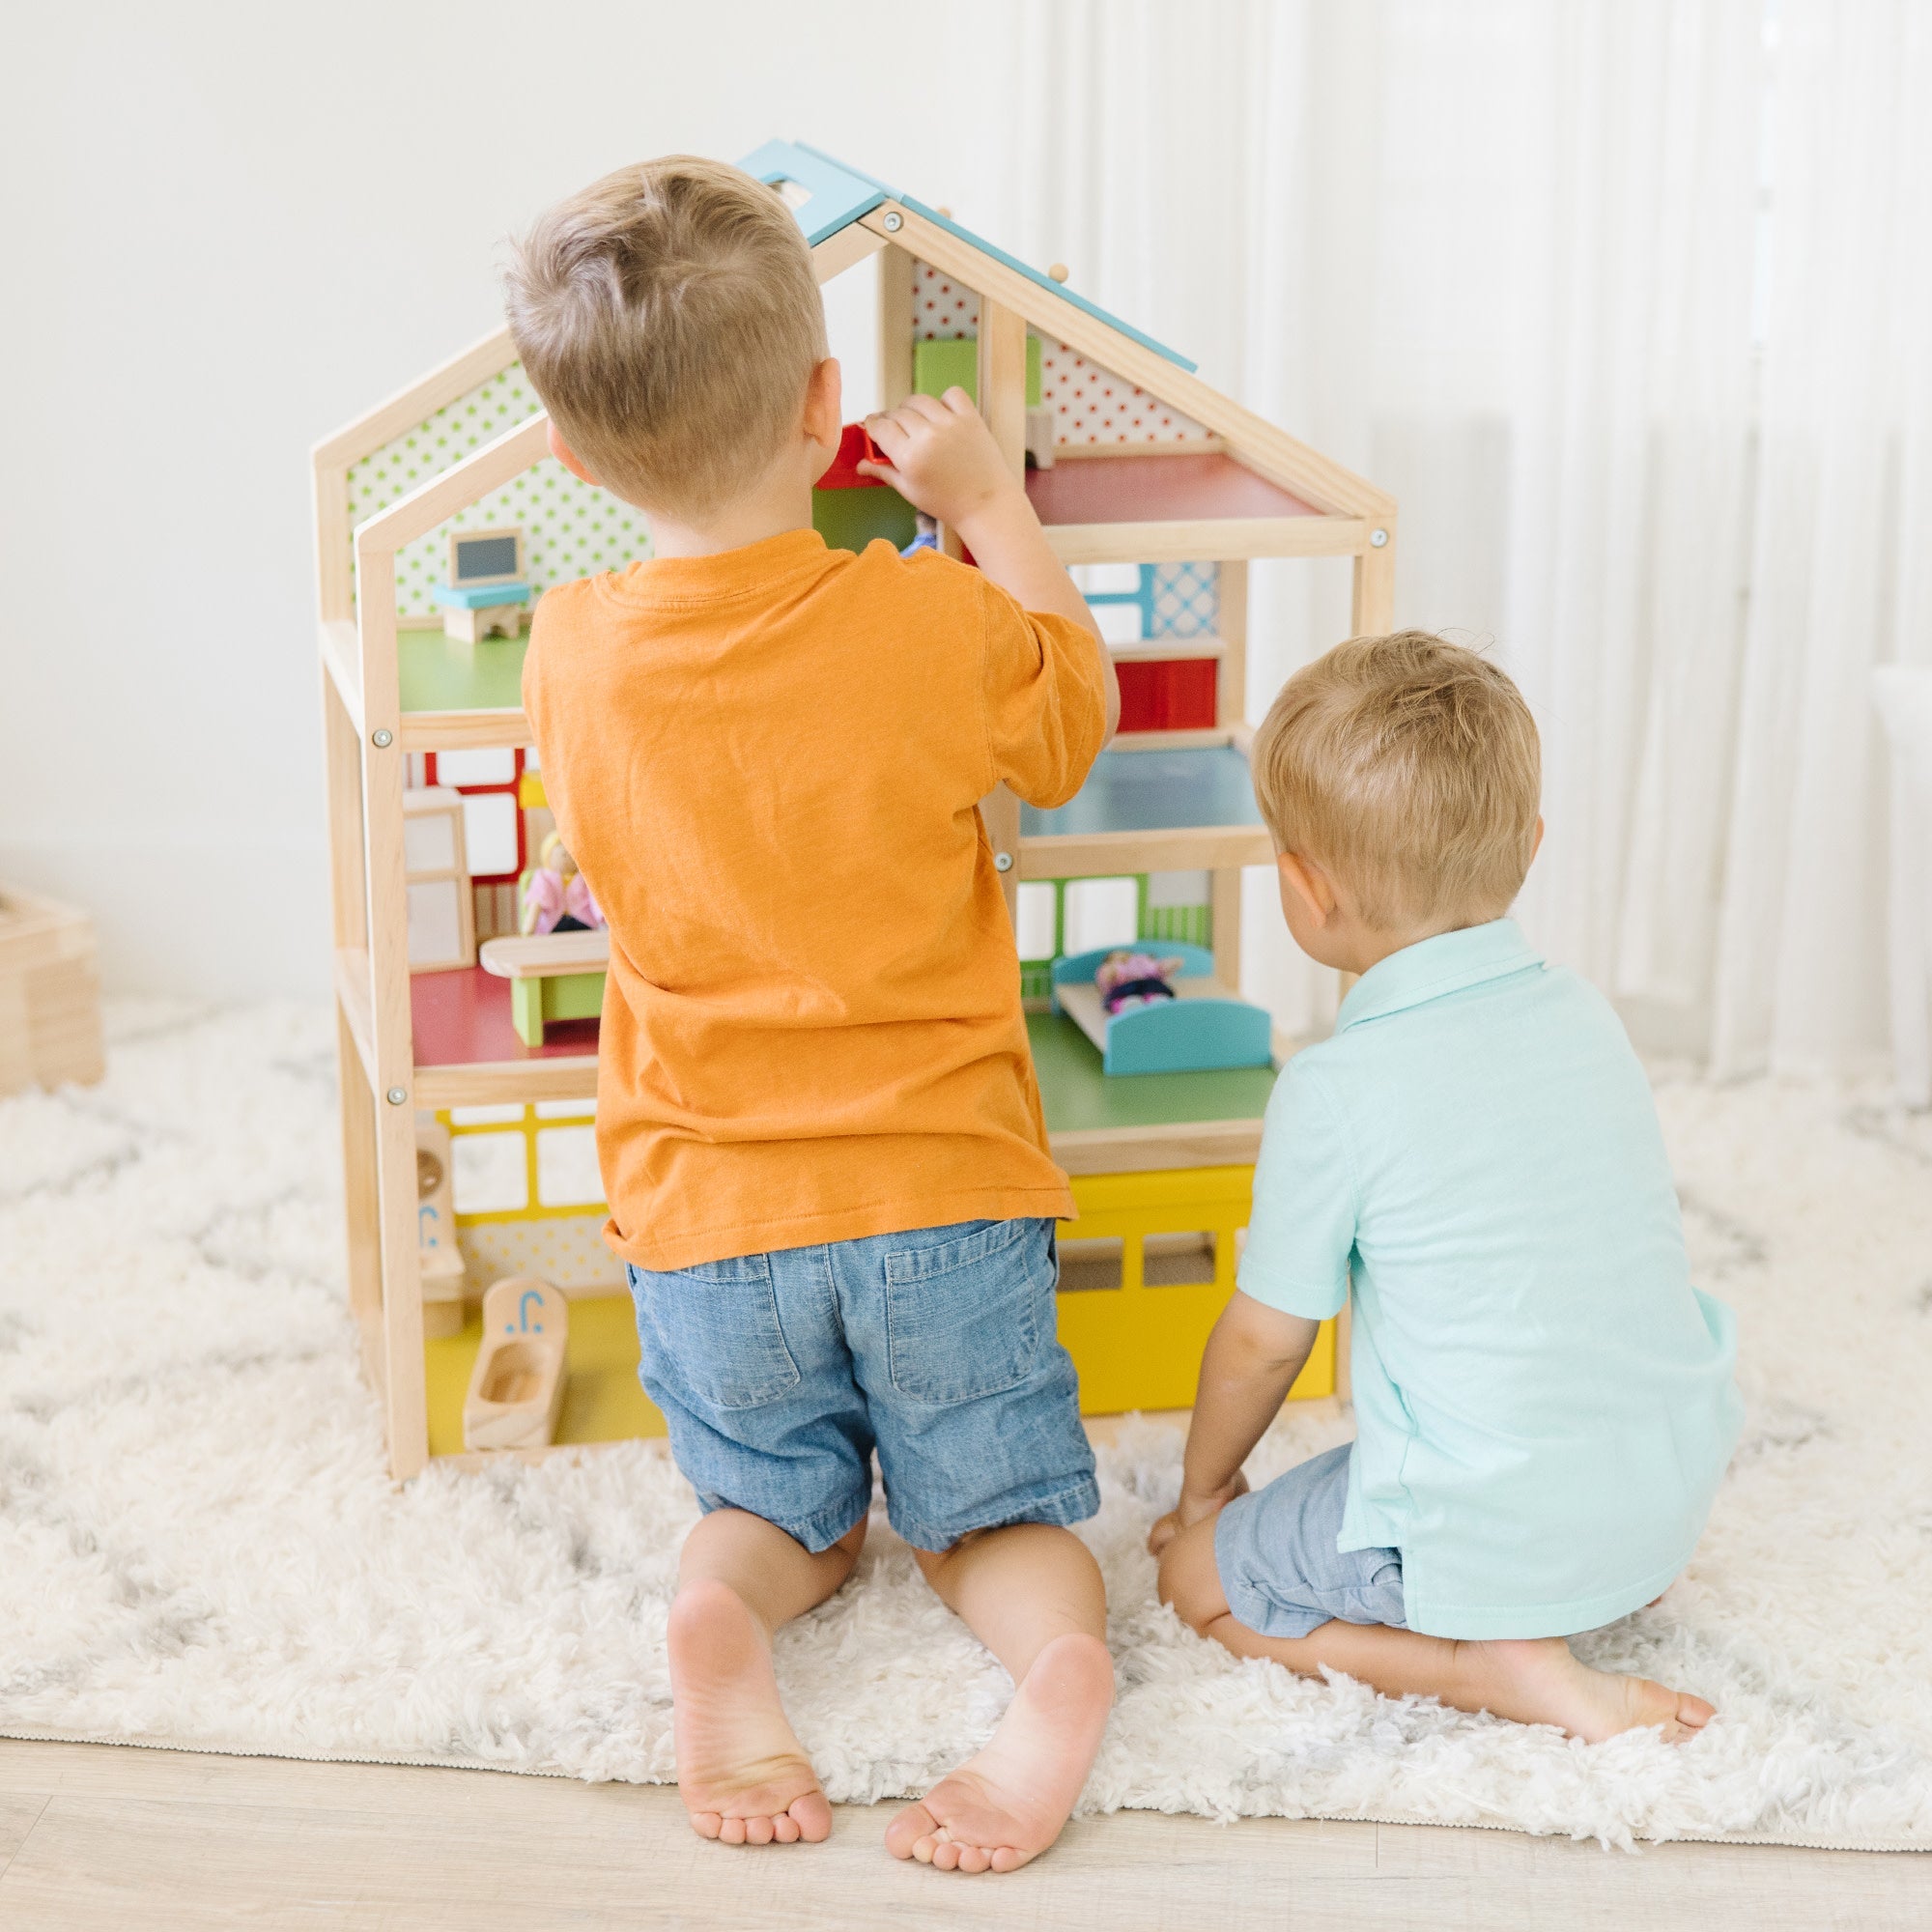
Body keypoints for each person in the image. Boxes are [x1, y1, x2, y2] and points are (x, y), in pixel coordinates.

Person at [505, 155, 1122, 1872]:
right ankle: (1054, 1664)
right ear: (824, 406)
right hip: (942, 1194)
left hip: (711, 1218)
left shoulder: (568, 650)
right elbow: (1072, 720)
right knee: (985, 1521)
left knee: (780, 1514)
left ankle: (725, 1613)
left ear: (570, 458)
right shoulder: (927, 616)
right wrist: (991, 508)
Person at [1151, 632, 1744, 1744]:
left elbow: (1263, 1342)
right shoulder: (1585, 1014)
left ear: (1303, 887)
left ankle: (1486, 1665)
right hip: (1661, 1503)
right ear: (1529, 843)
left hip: (1500, 1538)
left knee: (1196, 1582)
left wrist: (1200, 1496)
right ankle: (1561, 1594)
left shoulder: (1332, 1088)